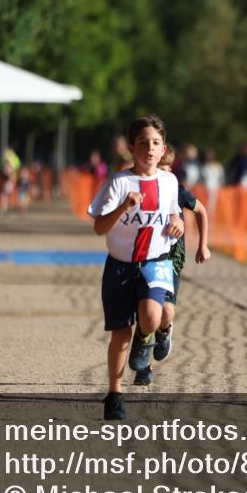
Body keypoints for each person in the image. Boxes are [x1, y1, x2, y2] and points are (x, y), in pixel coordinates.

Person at [88, 115, 184, 420]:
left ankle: (146, 342)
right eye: (143, 143)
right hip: (120, 266)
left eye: (155, 143)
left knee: (152, 316)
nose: (150, 148)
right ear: (132, 147)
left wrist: (178, 221)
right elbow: (99, 227)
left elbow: (174, 214)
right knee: (120, 335)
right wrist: (124, 207)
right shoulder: (119, 182)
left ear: (163, 148)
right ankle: (114, 394)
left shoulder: (169, 181)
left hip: (156, 261)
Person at [131, 148, 212, 386]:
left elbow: (201, 211)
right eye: (159, 169)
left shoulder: (176, 189)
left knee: (165, 312)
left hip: (170, 259)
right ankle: (143, 367)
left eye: (167, 170)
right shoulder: (139, 188)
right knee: (145, 312)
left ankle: (164, 331)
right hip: (141, 256)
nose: (163, 174)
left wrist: (203, 245)